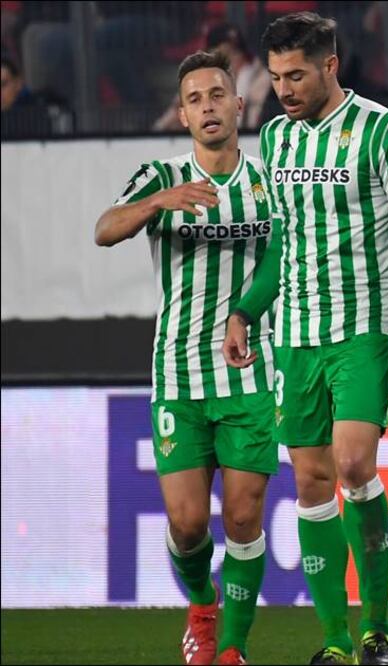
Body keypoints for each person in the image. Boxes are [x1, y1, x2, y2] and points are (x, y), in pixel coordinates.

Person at [221, 11, 388, 666]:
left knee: (353, 464)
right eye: (276, 76)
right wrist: (245, 309)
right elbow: (281, 242)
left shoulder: (384, 131)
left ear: (330, 66)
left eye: (296, 75)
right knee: (312, 483)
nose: (283, 89)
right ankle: (337, 640)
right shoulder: (277, 138)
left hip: (364, 328)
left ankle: (377, 629)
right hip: (295, 336)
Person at [94, 49, 278, 666]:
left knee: (245, 517)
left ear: (239, 104)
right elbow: (104, 229)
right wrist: (158, 203)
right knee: (189, 522)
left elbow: (285, 259)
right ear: (182, 115)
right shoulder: (160, 175)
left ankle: (232, 647)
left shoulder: (269, 183)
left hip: (250, 373)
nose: (208, 106)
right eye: (195, 99)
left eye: (217, 95)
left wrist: (246, 314)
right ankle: (202, 605)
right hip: (178, 375)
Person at [154, 23, 272, 132]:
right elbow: (176, 111)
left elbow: (256, 117)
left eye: (235, 51)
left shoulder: (261, 76)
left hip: (248, 138)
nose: (233, 56)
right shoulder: (203, 75)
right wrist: (157, 131)